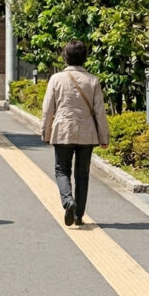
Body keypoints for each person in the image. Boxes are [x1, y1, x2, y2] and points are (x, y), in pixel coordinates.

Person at [41, 40, 110, 227]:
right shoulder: (93, 80)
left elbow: (48, 109)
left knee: (61, 170)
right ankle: (79, 215)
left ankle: (68, 201)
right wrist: (104, 137)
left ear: (65, 57)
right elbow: (100, 112)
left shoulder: (56, 79)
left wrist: (46, 132)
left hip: (63, 131)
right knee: (82, 174)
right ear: (84, 57)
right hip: (87, 133)